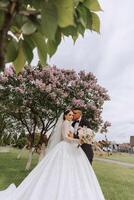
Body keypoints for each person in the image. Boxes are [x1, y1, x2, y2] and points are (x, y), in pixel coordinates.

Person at [0, 109, 105, 200]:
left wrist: (81, 138)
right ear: (65, 116)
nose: (71, 116)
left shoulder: (71, 124)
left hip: (73, 148)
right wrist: (77, 140)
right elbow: (65, 138)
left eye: (72, 115)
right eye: (69, 115)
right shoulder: (64, 123)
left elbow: (72, 135)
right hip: (65, 147)